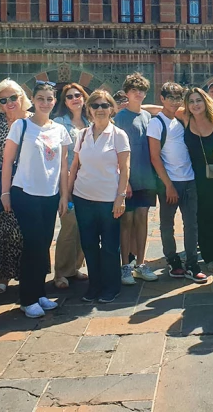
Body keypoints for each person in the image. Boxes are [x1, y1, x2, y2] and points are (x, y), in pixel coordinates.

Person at [1, 81, 71, 318]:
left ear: (55, 101)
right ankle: (27, 298)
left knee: (43, 245)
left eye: (49, 99)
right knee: (32, 245)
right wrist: (5, 193)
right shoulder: (21, 126)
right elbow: (7, 161)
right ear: (33, 99)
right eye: (40, 98)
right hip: (25, 192)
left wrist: (64, 195)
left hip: (50, 195)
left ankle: (39, 292)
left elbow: (63, 167)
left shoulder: (59, 130)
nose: (45, 103)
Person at [69, 90, 130, 303]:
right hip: (83, 197)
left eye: (105, 105)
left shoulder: (119, 135)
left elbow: (125, 168)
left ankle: (111, 287)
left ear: (112, 108)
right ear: (89, 110)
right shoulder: (82, 134)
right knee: (89, 245)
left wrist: (120, 197)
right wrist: (67, 195)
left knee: (111, 246)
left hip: (108, 200)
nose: (100, 109)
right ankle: (94, 285)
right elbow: (75, 165)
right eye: (96, 106)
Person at [147, 82, 207, 284]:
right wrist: (169, 185)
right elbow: (155, 157)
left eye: (177, 97)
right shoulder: (157, 123)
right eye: (169, 97)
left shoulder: (182, 118)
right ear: (162, 98)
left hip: (189, 179)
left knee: (192, 224)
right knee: (167, 224)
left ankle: (192, 263)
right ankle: (173, 260)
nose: (174, 102)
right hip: (169, 182)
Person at [0, 79, 32, 294]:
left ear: (22, 97)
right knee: (2, 232)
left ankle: (29, 276)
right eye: (4, 100)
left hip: (29, 182)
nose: (10, 102)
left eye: (14, 97)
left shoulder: (33, 121)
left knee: (28, 231)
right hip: (1, 182)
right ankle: (3, 278)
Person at [183, 87, 213, 273]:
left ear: (205, 102)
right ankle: (210, 256)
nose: (196, 104)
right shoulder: (185, 119)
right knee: (202, 216)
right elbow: (158, 109)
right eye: (192, 101)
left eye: (199, 100)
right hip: (195, 177)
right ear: (187, 105)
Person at [114, 73, 158, 285]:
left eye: (141, 90)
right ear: (127, 93)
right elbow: (115, 152)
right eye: (134, 91)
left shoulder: (148, 117)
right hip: (128, 180)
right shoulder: (119, 118)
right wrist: (126, 181)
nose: (138, 94)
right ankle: (125, 265)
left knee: (142, 220)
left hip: (147, 178)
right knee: (127, 222)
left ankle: (141, 263)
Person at [52, 83, 90, 289]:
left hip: (89, 181)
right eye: (69, 96)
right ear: (64, 102)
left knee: (84, 226)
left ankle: (74, 267)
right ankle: (60, 273)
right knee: (68, 226)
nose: (74, 98)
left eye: (78, 95)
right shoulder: (59, 123)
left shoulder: (90, 121)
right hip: (68, 181)